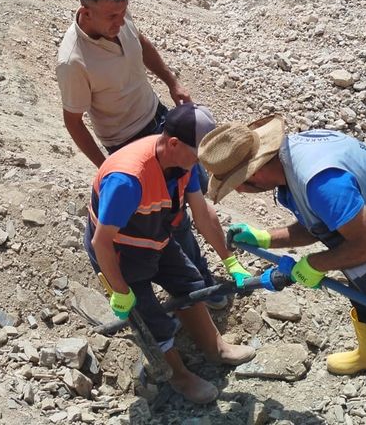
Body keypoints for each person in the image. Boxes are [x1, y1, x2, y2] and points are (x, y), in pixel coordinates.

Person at [197, 117, 366, 425]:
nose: (241, 195)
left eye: (237, 187)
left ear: (254, 173)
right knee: (363, 300)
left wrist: (314, 264)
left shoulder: (321, 181)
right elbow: (324, 222)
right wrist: (266, 237)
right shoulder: (292, 158)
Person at [57, 0, 227, 308]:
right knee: (173, 219)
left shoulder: (116, 15)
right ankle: (199, 287)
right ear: (85, 12)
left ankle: (201, 277)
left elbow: (144, 44)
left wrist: (171, 80)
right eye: (112, 16)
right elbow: (73, 122)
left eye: (123, 12)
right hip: (127, 144)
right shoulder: (73, 61)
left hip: (159, 120)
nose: (120, 21)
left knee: (194, 190)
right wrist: (111, 167)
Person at [84, 104, 255, 404]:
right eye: (197, 156)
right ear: (174, 143)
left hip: (154, 237)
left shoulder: (180, 164)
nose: (199, 164)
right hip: (119, 252)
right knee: (147, 313)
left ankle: (216, 347)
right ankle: (178, 374)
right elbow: (102, 243)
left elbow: (202, 215)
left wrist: (230, 260)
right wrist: (121, 292)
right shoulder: (128, 179)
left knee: (191, 283)